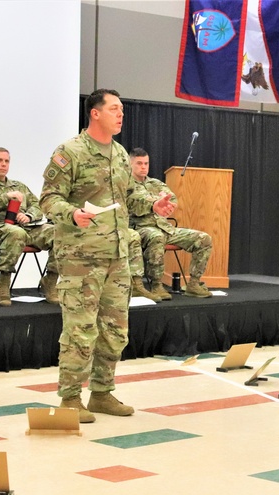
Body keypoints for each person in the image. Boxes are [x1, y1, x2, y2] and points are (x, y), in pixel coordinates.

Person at [40, 89, 175, 423]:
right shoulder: (69, 151)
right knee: (79, 329)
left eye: (123, 110)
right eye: (115, 109)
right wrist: (71, 213)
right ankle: (70, 398)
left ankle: (101, 393)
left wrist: (153, 204)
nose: (121, 114)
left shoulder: (118, 153)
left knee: (115, 330)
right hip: (81, 257)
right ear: (95, 113)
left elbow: (131, 195)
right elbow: (48, 199)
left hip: (117, 257)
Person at [0, 148, 57, 306]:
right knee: (15, 233)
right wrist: (5, 197)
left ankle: (50, 280)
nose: (4, 164)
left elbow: (38, 206)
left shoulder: (19, 186)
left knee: (59, 233)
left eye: (6, 161)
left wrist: (29, 216)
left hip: (26, 228)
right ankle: (4, 283)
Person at [129, 148, 212, 299]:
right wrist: (156, 201)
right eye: (139, 163)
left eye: (146, 163)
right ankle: (156, 285)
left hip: (166, 229)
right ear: (130, 164)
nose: (143, 167)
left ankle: (193, 284)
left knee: (204, 238)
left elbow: (171, 199)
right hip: (142, 229)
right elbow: (136, 201)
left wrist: (165, 203)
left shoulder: (155, 183)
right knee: (156, 236)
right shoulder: (127, 185)